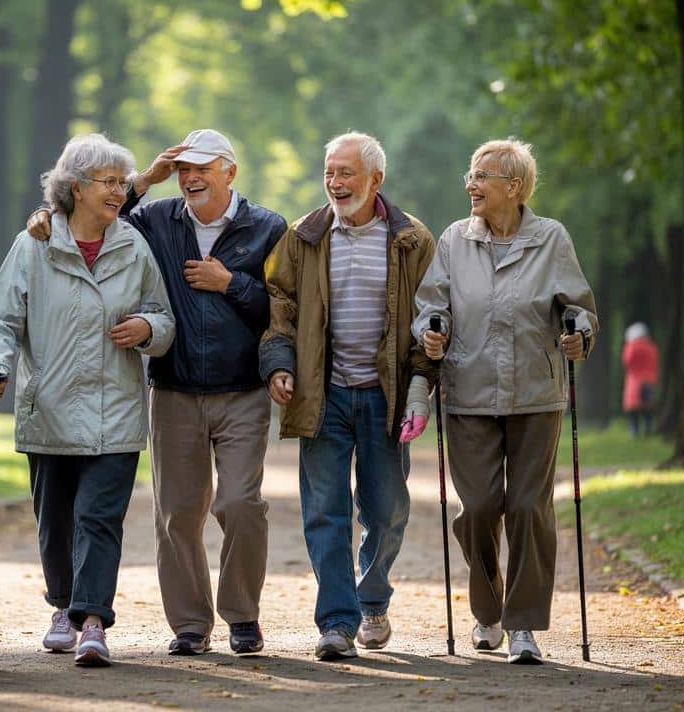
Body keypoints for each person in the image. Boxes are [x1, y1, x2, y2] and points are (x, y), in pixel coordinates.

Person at [26, 128, 287, 656]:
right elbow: (94, 218)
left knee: (239, 504)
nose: (190, 178)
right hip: (173, 388)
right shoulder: (156, 219)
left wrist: (230, 283)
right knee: (177, 513)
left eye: (202, 168)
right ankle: (191, 624)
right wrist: (143, 179)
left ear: (229, 172)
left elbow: (283, 308)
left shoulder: (267, 227)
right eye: (183, 169)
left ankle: (242, 616)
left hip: (242, 391)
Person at [0, 133, 174, 668]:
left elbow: (163, 314)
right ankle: (61, 607)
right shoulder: (34, 245)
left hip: (118, 411)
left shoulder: (134, 246)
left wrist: (147, 328)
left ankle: (92, 621)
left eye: (120, 182)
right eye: (108, 183)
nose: (120, 191)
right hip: (51, 410)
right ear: (76, 188)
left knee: (98, 517)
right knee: (55, 520)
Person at [413, 138, 598, 665]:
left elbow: (579, 308)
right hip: (469, 394)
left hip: (536, 396)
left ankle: (522, 627)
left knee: (526, 508)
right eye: (469, 175)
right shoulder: (454, 240)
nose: (470, 184)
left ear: (513, 186)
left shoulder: (550, 239)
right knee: (478, 508)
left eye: (481, 176)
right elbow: (432, 304)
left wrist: (578, 333)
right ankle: (487, 609)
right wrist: (432, 331)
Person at [259, 132, 436, 660]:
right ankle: (337, 621)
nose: (335, 183)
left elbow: (433, 316)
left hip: (385, 395)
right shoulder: (303, 236)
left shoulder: (412, 240)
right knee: (325, 510)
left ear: (375, 180)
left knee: (385, 509)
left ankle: (373, 598)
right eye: (329, 172)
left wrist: (422, 382)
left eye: (346, 173)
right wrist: (280, 365)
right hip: (324, 392)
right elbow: (280, 306)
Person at [622, 322, 659, 437]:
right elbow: (655, 362)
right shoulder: (651, 346)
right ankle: (648, 429)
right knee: (647, 407)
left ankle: (634, 431)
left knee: (633, 409)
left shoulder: (631, 346)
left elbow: (627, 361)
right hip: (649, 380)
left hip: (635, 381)